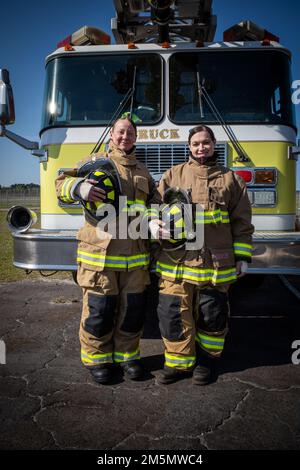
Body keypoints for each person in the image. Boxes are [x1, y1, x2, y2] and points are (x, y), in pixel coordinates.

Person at [55, 117, 161, 384]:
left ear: (135, 138)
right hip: (99, 254)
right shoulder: (92, 162)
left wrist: (157, 218)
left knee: (133, 310)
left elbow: (154, 205)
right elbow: (60, 186)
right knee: (100, 309)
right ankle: (97, 359)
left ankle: (128, 357)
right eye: (121, 132)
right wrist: (79, 187)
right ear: (112, 135)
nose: (125, 136)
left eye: (130, 133)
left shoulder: (143, 172)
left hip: (135, 255)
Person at [149, 125, 254, 385]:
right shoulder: (173, 175)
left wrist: (243, 257)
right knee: (172, 313)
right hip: (177, 263)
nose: (200, 148)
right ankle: (178, 364)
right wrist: (152, 223)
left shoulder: (231, 180)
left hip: (215, 264)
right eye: (196, 143)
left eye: (205, 142)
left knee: (212, 314)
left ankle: (207, 362)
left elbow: (242, 223)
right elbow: (154, 206)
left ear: (214, 144)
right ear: (189, 146)